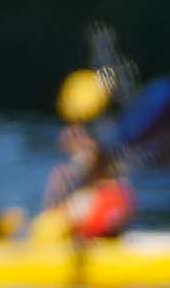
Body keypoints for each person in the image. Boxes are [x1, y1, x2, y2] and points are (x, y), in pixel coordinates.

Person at [36, 70, 132, 241]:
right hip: (116, 204)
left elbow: (88, 163)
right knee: (60, 179)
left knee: (47, 226)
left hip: (104, 205)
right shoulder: (107, 132)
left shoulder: (92, 144)